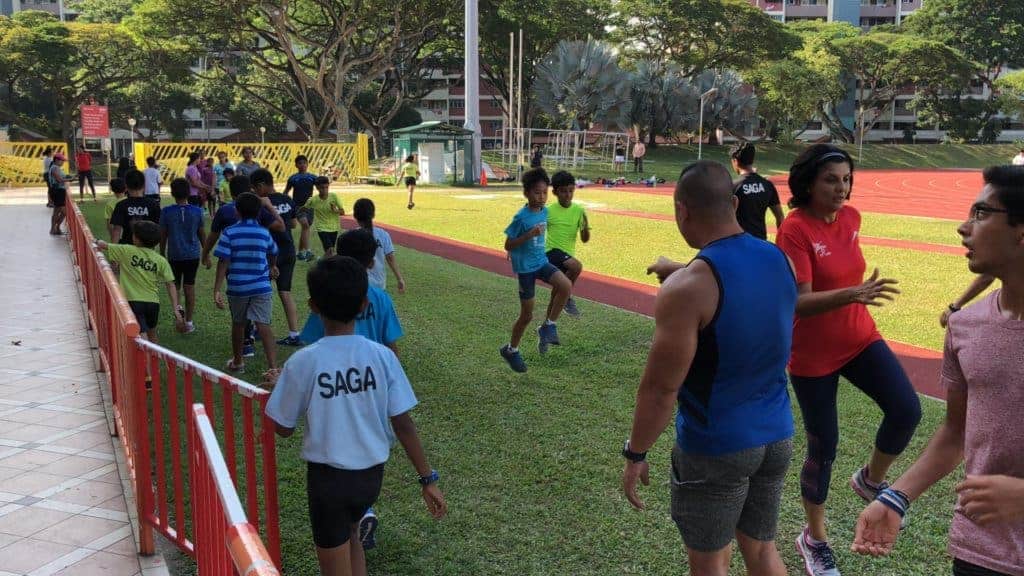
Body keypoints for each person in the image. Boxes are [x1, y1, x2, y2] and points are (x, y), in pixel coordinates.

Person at [623, 161, 797, 576]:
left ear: (682, 211)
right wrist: (685, 270)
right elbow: (741, 297)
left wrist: (635, 452)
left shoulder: (687, 289)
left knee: (709, 564)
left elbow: (660, 389)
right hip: (776, 435)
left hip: (717, 444)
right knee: (762, 552)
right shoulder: (779, 260)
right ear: (734, 203)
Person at [852, 165, 1024, 576]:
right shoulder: (965, 327)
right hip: (980, 551)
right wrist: (897, 496)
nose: (963, 228)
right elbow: (956, 430)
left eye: (981, 214)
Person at [774, 144, 922, 576]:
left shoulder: (852, 219)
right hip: (813, 355)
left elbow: (846, 273)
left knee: (906, 409)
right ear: (808, 184)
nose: (842, 189)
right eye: (831, 180)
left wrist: (855, 299)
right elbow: (798, 304)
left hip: (859, 338)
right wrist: (854, 294)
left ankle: (871, 479)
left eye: (847, 179)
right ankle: (814, 538)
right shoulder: (795, 231)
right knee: (824, 449)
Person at [264, 256, 446, 576]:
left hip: (328, 482)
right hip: (370, 479)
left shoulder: (303, 362)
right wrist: (427, 479)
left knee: (337, 556)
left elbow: (283, 428)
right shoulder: (383, 357)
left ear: (313, 306)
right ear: (364, 305)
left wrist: (281, 388)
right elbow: (403, 423)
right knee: (352, 536)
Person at [498, 168, 572, 373]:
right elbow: (508, 244)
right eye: (536, 193)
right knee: (527, 316)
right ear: (527, 193)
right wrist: (527, 236)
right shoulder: (521, 218)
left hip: (541, 262)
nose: (541, 197)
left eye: (544, 193)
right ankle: (511, 349)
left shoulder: (545, 211)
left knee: (565, 286)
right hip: (526, 271)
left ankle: (548, 325)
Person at [299, 228, 405, 356]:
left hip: (333, 368)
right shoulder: (381, 298)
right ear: (371, 263)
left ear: (338, 257)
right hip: (371, 369)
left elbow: (314, 341)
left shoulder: (327, 292)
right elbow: (390, 345)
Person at [213, 192, 279, 375]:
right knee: (264, 324)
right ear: (259, 212)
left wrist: (217, 289)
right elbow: (274, 250)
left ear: (237, 211)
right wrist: (272, 266)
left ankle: (238, 361)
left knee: (239, 324)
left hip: (238, 287)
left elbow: (223, 261)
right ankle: (273, 367)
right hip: (261, 286)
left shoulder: (230, 232)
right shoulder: (264, 232)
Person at [96, 221, 183, 343]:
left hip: (133, 302)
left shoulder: (126, 250)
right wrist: (175, 307)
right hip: (153, 304)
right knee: (152, 334)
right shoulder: (161, 260)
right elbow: (170, 283)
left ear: (136, 238)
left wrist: (96, 241)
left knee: (142, 338)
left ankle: (146, 360)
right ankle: (154, 360)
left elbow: (103, 245)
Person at [251, 168, 303, 348]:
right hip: (288, 250)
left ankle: (258, 329)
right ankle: (294, 333)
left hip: (268, 252)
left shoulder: (261, 204)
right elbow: (294, 224)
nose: (254, 193)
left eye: (255, 189)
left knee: (260, 293)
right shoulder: (287, 199)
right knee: (285, 292)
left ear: (261, 186)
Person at [160, 178, 206, 334]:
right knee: (189, 287)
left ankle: (179, 320)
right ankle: (189, 321)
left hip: (174, 255)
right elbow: (202, 234)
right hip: (192, 255)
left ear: (172, 193)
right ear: (189, 192)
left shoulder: (166, 212)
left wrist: (161, 252)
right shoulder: (198, 211)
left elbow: (163, 235)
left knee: (175, 288)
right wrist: (205, 253)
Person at [545, 170, 590, 317]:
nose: (568, 195)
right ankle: (568, 295)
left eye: (571, 190)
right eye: (564, 191)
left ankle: (547, 327)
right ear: (555, 192)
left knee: (556, 297)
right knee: (577, 266)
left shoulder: (578, 211)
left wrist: (585, 229)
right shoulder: (548, 211)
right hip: (551, 253)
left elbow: (584, 239)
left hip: (566, 257)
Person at [730, 142, 784, 240]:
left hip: (739, 244)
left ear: (735, 161)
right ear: (752, 160)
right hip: (760, 242)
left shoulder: (733, 187)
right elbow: (780, 217)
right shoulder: (767, 185)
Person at [351, 198, 405, 293]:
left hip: (358, 284)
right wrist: (399, 278)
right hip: (379, 284)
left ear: (355, 216)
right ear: (373, 215)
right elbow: (390, 258)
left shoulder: (351, 236)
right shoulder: (383, 235)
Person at [110, 170, 161, 246]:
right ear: (144, 185)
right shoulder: (153, 204)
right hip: (148, 249)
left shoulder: (121, 205)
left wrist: (114, 252)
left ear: (126, 186)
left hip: (127, 249)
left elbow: (116, 230)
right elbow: (159, 228)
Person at [284, 155, 318, 261]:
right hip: (298, 206)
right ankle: (308, 251)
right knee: (305, 225)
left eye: (304, 163)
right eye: (300, 163)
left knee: (305, 229)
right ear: (296, 165)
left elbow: (322, 186)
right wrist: (286, 202)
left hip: (310, 207)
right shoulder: (293, 178)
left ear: (307, 164)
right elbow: (286, 192)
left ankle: (298, 252)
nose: (302, 165)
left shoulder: (312, 177)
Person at [307, 176, 345, 258]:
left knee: (330, 250)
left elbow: (342, 212)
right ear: (317, 188)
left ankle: (325, 262)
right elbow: (304, 208)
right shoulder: (313, 200)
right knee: (330, 249)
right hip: (321, 228)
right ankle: (328, 265)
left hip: (334, 227)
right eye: (322, 188)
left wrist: (335, 211)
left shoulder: (334, 197)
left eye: (326, 187)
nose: (324, 190)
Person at [47, 153, 72, 235]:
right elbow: (59, 180)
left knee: (56, 211)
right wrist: (70, 180)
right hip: (57, 192)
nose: (63, 162)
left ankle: (54, 229)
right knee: (64, 212)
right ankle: (56, 227)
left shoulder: (57, 168)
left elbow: (63, 177)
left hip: (59, 191)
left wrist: (69, 177)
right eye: (62, 161)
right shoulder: (54, 168)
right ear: (57, 160)